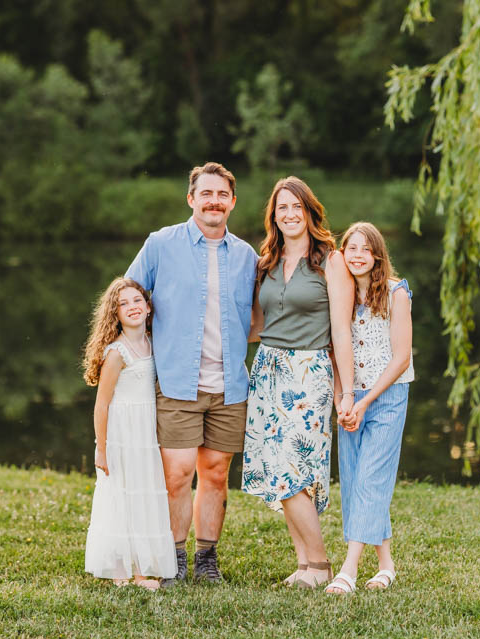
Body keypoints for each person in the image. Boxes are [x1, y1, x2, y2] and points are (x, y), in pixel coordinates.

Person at [126, 162, 258, 585]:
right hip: (178, 382)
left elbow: (259, 313)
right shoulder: (161, 244)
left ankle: (207, 559)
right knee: (178, 472)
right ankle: (175, 559)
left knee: (216, 473)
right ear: (191, 199)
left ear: (232, 202)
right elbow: (128, 297)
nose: (214, 201)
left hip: (230, 385)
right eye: (206, 194)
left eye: (222, 195)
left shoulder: (246, 256)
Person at [242, 176, 355, 589]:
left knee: (295, 469)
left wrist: (347, 392)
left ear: (309, 212)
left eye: (297, 207)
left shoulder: (331, 260)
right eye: (282, 208)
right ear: (273, 215)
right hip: (267, 367)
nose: (289, 214)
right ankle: (305, 565)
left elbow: (340, 330)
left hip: (309, 372)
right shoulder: (265, 261)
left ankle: (322, 564)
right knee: (277, 471)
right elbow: (257, 325)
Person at [324, 222, 414, 594]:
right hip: (350, 399)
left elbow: (401, 357)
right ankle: (387, 565)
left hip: (386, 398)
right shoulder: (341, 297)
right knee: (357, 481)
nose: (357, 255)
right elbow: (333, 353)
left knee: (372, 479)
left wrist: (365, 401)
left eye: (365, 248)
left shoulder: (396, 293)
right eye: (350, 248)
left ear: (377, 255)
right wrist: (341, 401)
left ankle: (348, 569)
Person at [81, 277, 176, 590]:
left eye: (137, 300)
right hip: (123, 434)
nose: (132, 307)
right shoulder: (117, 352)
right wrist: (101, 447)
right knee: (121, 496)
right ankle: (121, 573)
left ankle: (141, 571)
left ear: (148, 307)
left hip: (147, 433)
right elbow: (102, 404)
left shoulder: (153, 342)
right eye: (123, 304)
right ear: (115, 314)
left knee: (143, 497)